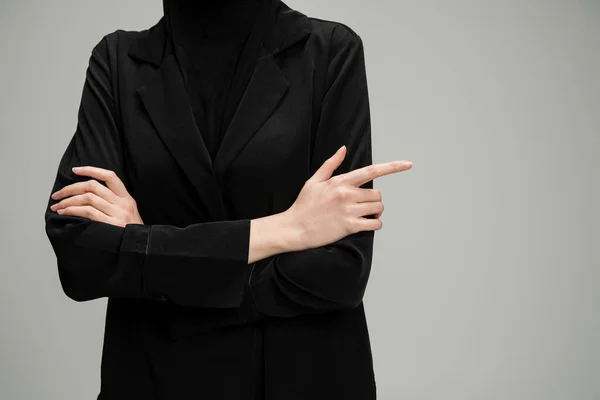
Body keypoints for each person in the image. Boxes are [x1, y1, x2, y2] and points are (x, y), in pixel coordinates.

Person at [43, 0, 412, 399]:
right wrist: (285, 229)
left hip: (302, 377)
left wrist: (146, 245)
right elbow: (81, 257)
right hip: (155, 379)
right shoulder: (117, 62)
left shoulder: (329, 51)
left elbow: (342, 271)